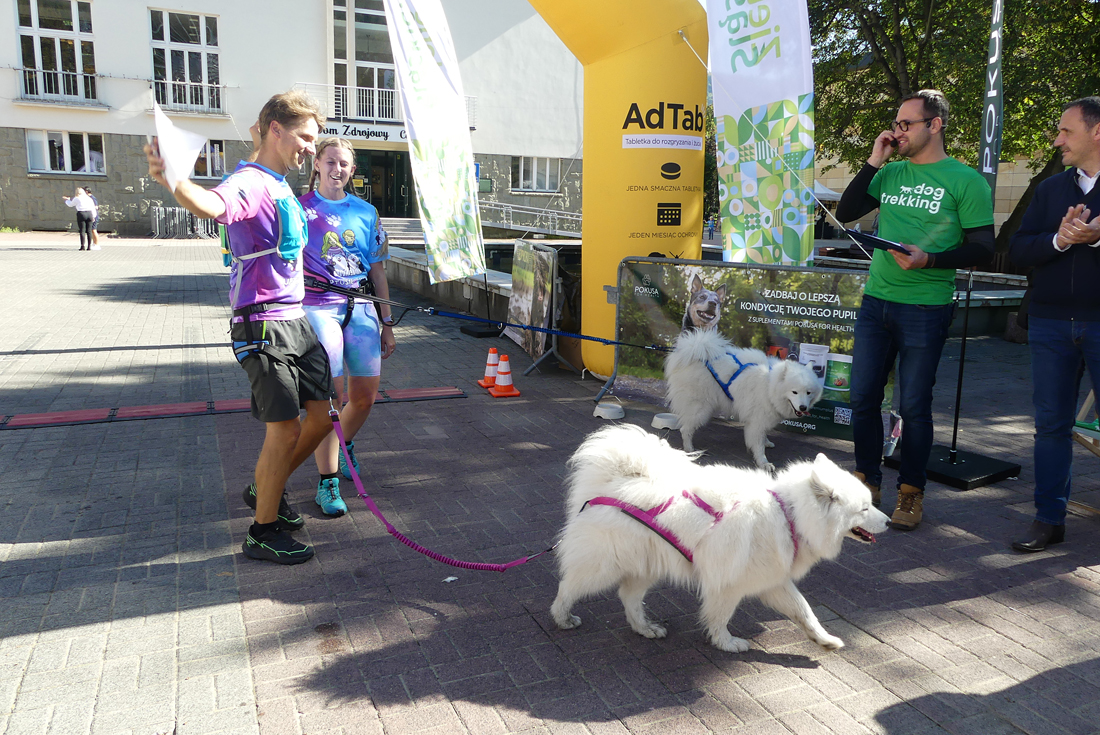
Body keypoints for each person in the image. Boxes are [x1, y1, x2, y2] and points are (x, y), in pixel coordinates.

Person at [144, 90, 333, 565]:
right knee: (284, 431)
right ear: (277, 130)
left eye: (314, 139)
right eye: (305, 137)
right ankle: (262, 532)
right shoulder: (250, 182)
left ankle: (266, 485)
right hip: (262, 325)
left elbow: (259, 133)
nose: (310, 148)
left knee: (321, 418)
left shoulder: (277, 179)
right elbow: (212, 205)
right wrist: (174, 179)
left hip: (296, 320)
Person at [836, 89, 995, 531]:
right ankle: (866, 483)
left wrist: (930, 259)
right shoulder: (891, 173)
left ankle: (910, 492)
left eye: (906, 124)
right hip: (877, 302)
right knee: (862, 397)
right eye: (896, 123)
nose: (898, 131)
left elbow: (984, 247)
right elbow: (847, 212)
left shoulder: (966, 181)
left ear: (935, 125)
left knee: (914, 406)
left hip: (926, 307)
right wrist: (875, 159)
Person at [1008, 96, 1100, 552]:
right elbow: (1017, 250)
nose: (1057, 140)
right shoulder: (1049, 190)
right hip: (1049, 324)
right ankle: (1048, 519)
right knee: (1050, 427)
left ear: (1097, 131)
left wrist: (1098, 237)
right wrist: (1059, 240)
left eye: (1066, 131)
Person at [299, 138, 395, 516]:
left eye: (344, 164)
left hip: (361, 307)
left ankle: (343, 444)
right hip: (318, 309)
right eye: (330, 161)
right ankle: (328, 482)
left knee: (365, 396)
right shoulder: (299, 208)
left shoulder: (367, 212)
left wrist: (387, 323)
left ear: (352, 170)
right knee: (330, 400)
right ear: (317, 164)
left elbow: (378, 271)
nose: (337, 169)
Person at [85, 185, 101, 250]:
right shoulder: (90, 198)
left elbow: (96, 207)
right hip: (92, 215)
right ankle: (94, 243)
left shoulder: (91, 198)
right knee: (92, 230)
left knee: (94, 230)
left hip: (94, 216)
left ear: (86, 192)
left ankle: (97, 244)